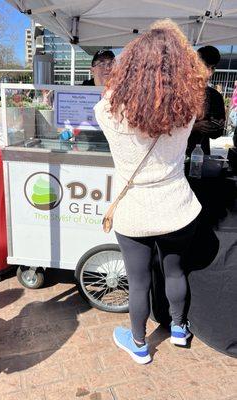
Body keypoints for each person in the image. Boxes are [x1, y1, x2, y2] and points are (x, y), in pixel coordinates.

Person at [94, 19, 208, 364]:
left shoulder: (106, 111)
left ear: (130, 65)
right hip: (177, 207)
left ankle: (140, 345)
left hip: (135, 211)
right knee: (175, 271)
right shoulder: (186, 112)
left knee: (139, 281)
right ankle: (177, 329)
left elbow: (109, 98)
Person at [186, 46, 225, 156]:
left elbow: (217, 134)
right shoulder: (180, 93)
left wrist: (216, 126)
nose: (210, 72)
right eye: (206, 66)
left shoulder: (215, 96)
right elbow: (165, 128)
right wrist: (194, 127)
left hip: (200, 156)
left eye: (213, 68)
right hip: (174, 157)